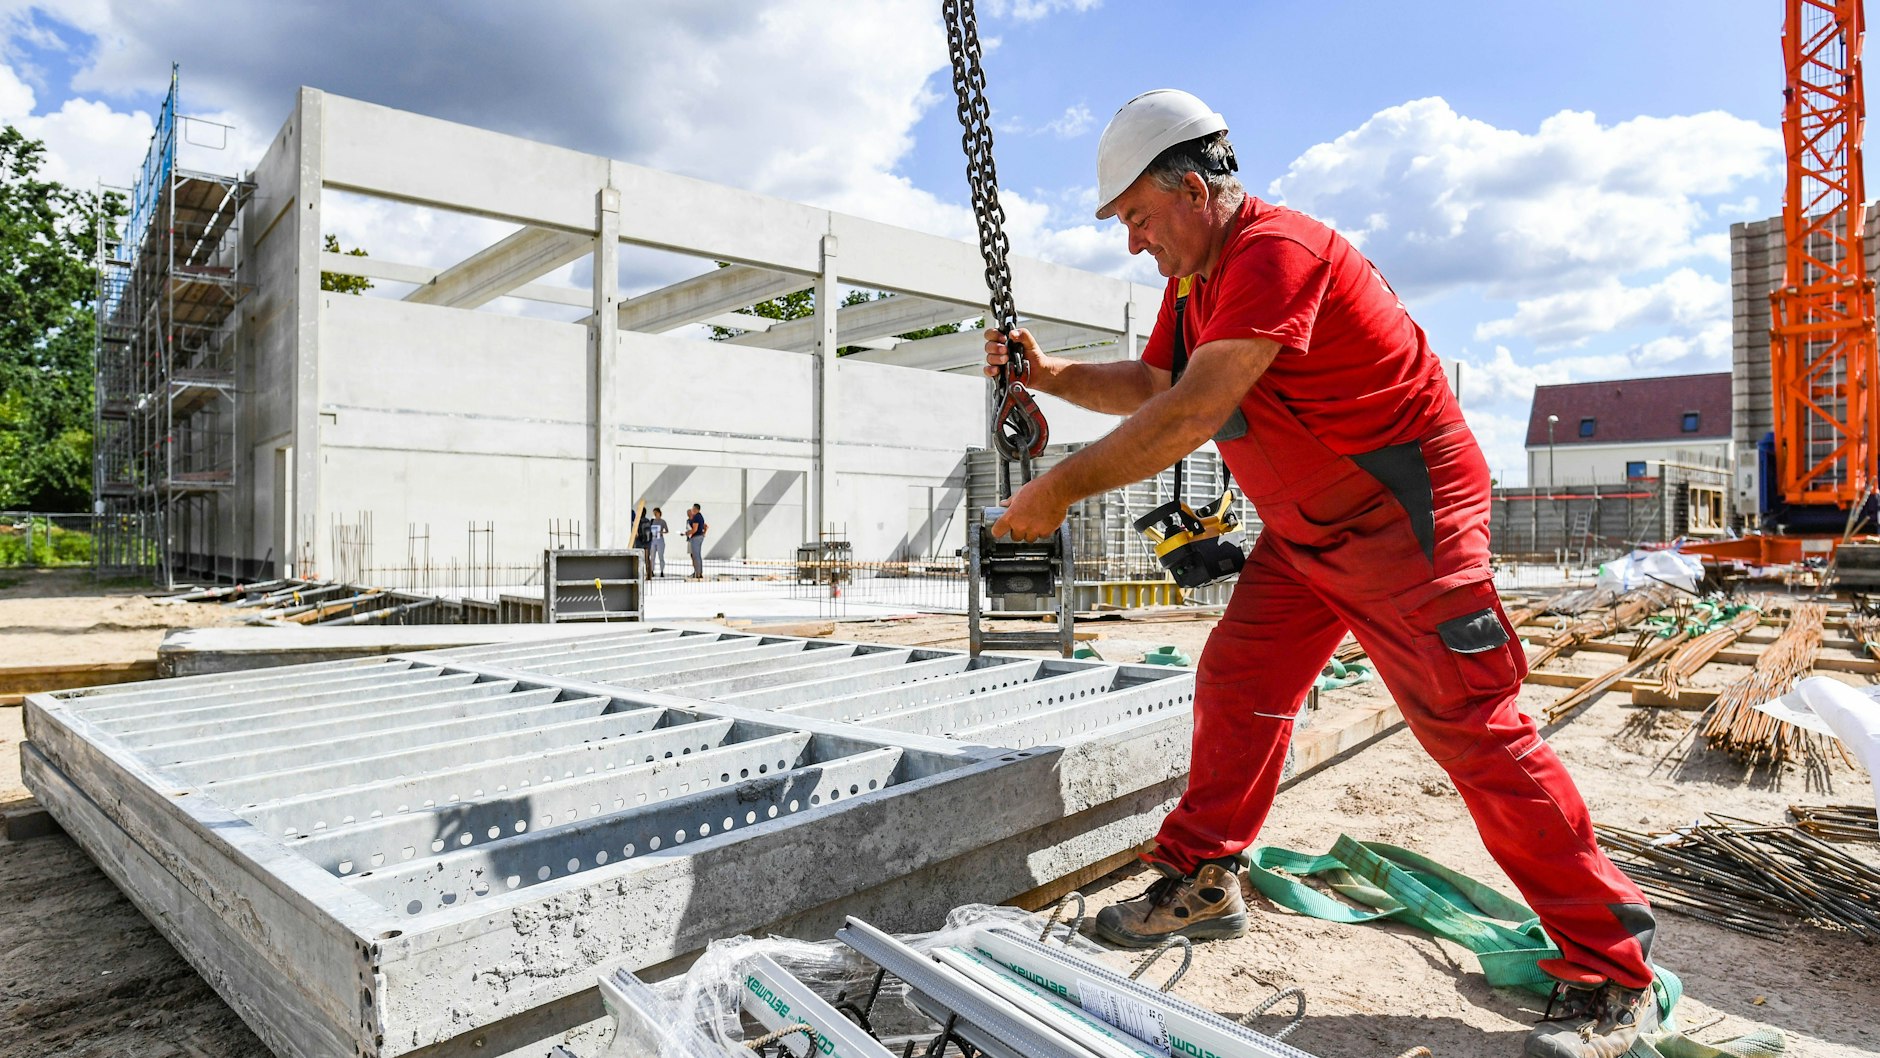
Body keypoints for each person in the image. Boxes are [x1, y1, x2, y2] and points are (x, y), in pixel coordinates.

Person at [983, 89, 1657, 1058]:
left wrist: (1055, 492)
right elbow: (1153, 384)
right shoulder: (1196, 282)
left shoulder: (1273, 252)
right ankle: (1205, 877)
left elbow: (1188, 415)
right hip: (1307, 538)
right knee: (1238, 681)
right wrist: (1046, 376)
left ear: (1193, 188)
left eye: (1136, 216)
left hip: (1403, 524)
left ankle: (1609, 958)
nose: (1133, 242)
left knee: (1473, 727)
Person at [685, 504, 707, 579]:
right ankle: (698, 572)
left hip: (696, 537)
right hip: (699, 537)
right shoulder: (700, 516)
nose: (692, 510)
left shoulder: (697, 517)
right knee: (697, 555)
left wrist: (687, 533)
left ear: (696, 509)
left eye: (693, 508)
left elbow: (695, 529)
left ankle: (698, 573)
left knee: (696, 556)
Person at [646, 507, 669, 577]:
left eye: (656, 513)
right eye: (654, 513)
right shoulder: (652, 521)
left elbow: (667, 530)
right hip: (653, 539)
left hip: (660, 539)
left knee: (660, 556)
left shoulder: (663, 521)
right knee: (652, 556)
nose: (655, 514)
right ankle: (652, 570)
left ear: (659, 513)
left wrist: (661, 532)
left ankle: (662, 570)